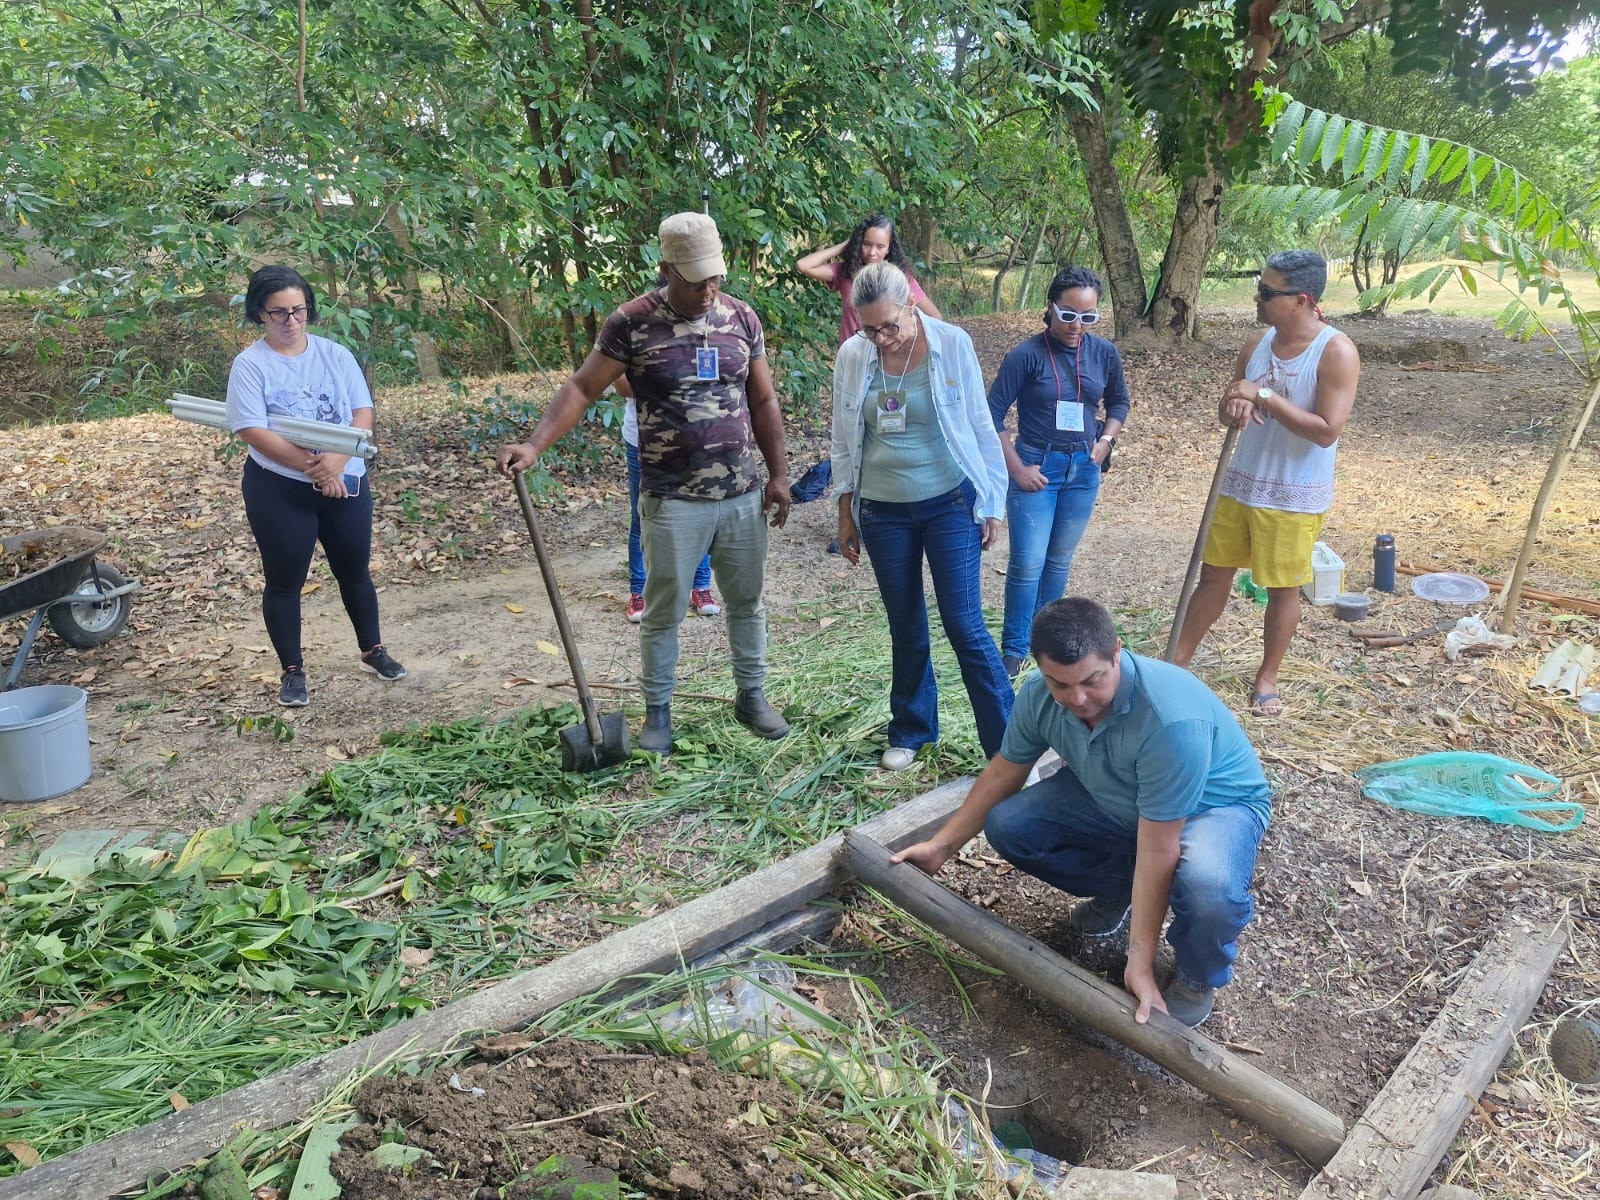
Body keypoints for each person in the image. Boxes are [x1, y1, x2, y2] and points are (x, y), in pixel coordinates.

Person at [892, 597, 1272, 1028]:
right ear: (1039, 668)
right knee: (1010, 824)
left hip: (1213, 806)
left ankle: (1195, 975)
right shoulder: (1039, 696)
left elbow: (1160, 845)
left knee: (1208, 887)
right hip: (1118, 792)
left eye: (1092, 681)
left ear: (1117, 652)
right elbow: (1003, 774)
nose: (1078, 698)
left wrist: (1138, 962)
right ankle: (1122, 890)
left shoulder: (1170, 721)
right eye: (1060, 684)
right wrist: (942, 846)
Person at [497, 213, 791, 753]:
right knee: (664, 609)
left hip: (742, 494)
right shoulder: (631, 324)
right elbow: (584, 388)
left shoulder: (742, 319)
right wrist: (534, 444)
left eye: (715, 278)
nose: (708, 290)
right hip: (672, 497)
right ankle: (659, 711)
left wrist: (777, 475)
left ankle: (751, 695)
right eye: (695, 279)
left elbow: (764, 399)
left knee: (746, 601)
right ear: (665, 268)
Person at [832, 262, 1012, 770]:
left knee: (964, 623)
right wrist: (845, 511)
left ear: (912, 305)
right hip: (883, 510)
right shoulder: (853, 355)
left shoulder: (951, 342)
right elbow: (843, 436)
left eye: (890, 325)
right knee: (905, 621)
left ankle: (1008, 746)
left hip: (949, 501)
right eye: (870, 328)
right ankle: (912, 729)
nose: (881, 338)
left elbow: (979, 422)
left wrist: (991, 500)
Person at [1171, 250, 1359, 717]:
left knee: (1283, 588)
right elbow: (1229, 406)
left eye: (1267, 293)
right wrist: (1235, 405)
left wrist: (1266, 396)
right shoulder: (1256, 342)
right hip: (1239, 484)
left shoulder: (1336, 351)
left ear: (1301, 299)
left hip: (1293, 492)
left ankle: (1267, 676)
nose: (1258, 298)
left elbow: (1326, 430)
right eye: (1260, 288)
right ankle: (1176, 663)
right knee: (1213, 574)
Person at [225, 264, 406, 708]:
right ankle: (292, 670)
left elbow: (362, 413)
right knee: (285, 581)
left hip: (346, 479)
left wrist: (339, 463)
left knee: (354, 570)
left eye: (299, 310)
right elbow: (251, 429)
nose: (291, 321)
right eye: (279, 313)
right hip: (279, 486)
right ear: (259, 315)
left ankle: (373, 650)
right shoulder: (250, 365)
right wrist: (317, 469)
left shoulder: (334, 355)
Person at [989, 266, 1130, 679]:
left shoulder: (1103, 352)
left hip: (1083, 468)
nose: (1076, 326)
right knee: (1027, 563)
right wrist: (1016, 467)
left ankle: (1044, 644)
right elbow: (991, 412)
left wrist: (1105, 442)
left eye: (1088, 317)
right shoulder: (1027, 355)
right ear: (1050, 309)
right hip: (1038, 465)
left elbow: (1119, 402)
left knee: (1058, 562)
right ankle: (1013, 650)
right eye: (1068, 315)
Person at [618, 382, 717, 624]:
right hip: (644, 439)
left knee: (701, 510)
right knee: (643, 516)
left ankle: (700, 586)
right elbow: (621, 384)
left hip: (698, 435)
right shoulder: (624, 340)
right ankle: (639, 592)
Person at [796, 213, 944, 345]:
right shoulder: (846, 272)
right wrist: (845, 245)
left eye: (880, 247)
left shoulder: (900, 278)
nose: (872, 252)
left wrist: (911, 343)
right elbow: (802, 265)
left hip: (885, 354)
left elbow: (935, 317)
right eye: (866, 244)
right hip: (851, 355)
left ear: (889, 248)